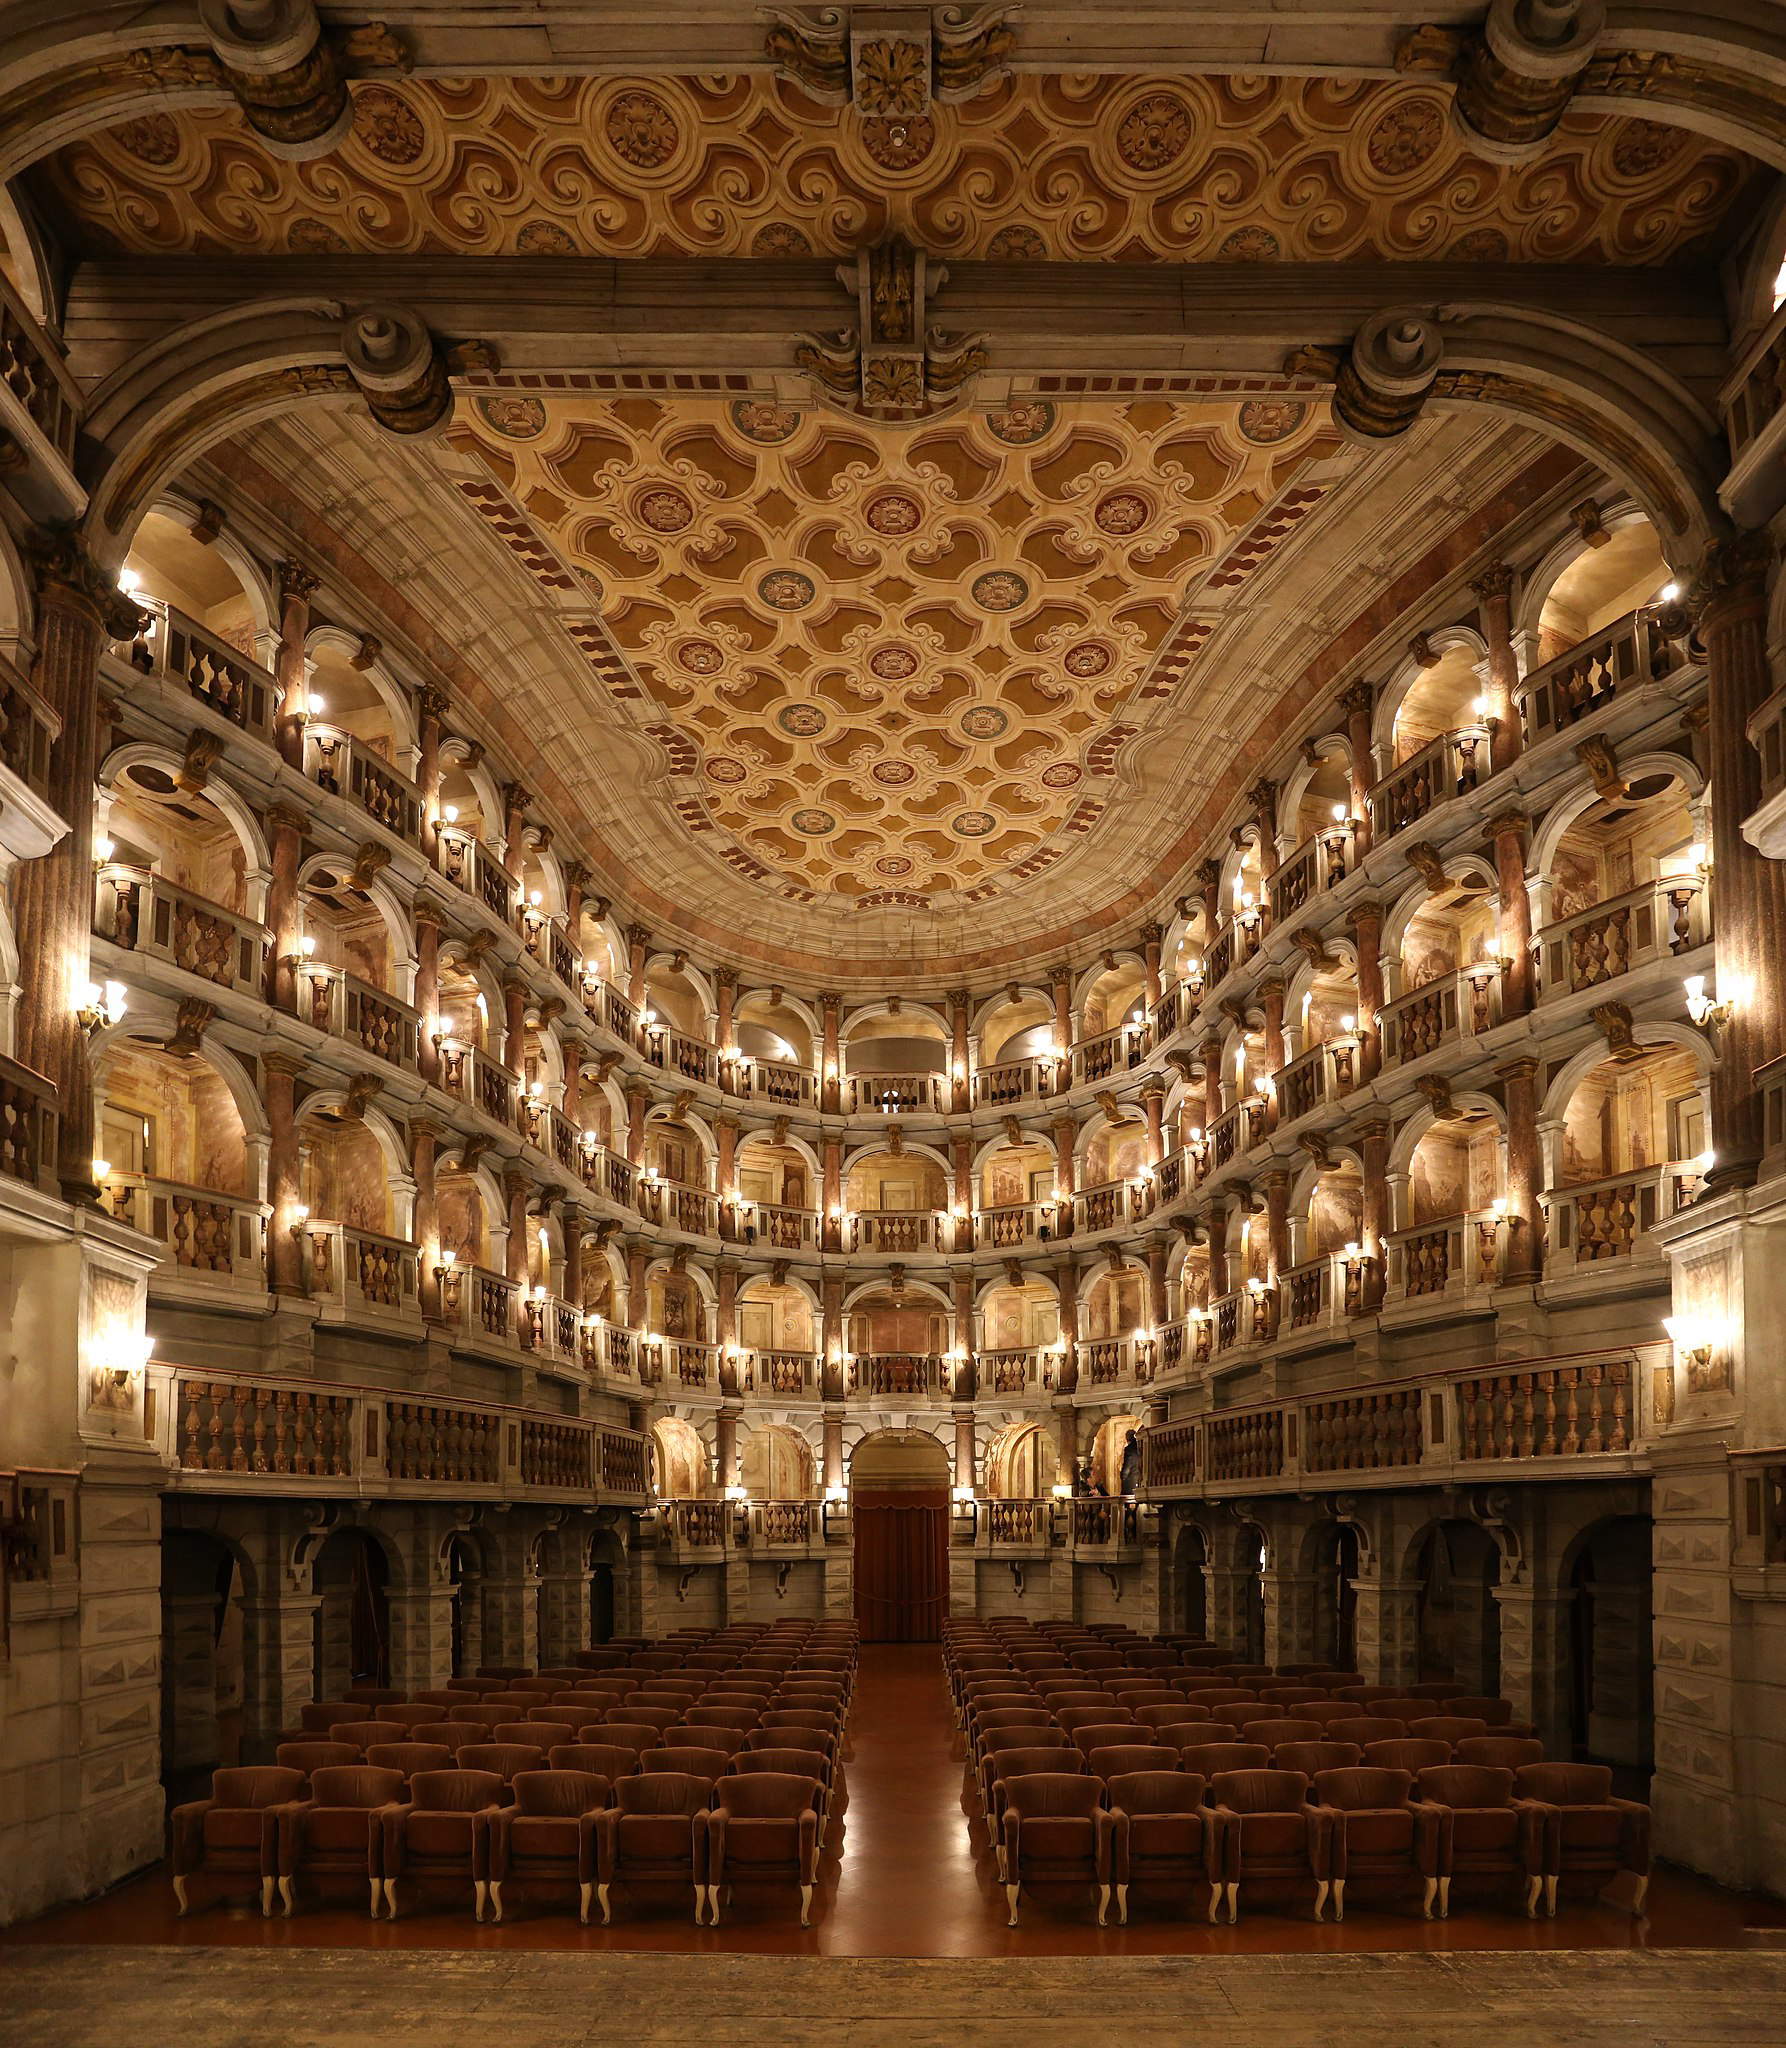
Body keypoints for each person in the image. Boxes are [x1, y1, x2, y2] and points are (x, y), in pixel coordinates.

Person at [1119, 1428, 1141, 1497]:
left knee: (1126, 1501)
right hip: (1139, 1479)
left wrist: (1123, 1475)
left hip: (1130, 1480)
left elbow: (1128, 1464)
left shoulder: (1129, 1449)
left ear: (1127, 1438)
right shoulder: (1141, 1446)